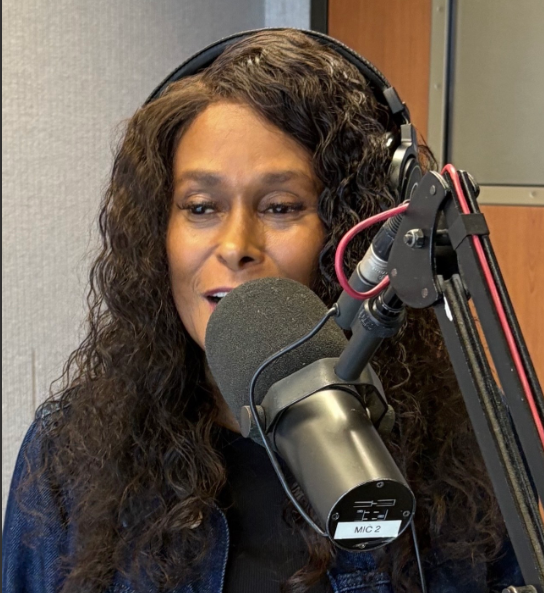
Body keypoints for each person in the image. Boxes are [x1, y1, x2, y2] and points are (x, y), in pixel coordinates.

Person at [2, 29, 522, 593]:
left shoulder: (471, 440)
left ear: (353, 231)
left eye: (280, 207)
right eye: (201, 207)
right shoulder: (68, 455)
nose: (235, 246)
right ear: (158, 233)